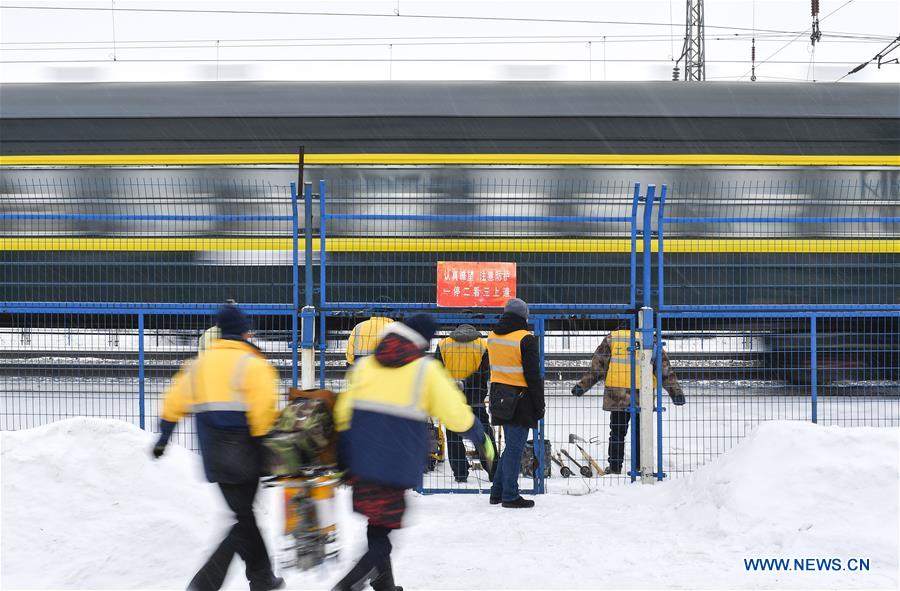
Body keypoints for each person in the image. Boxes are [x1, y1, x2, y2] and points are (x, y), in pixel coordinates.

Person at [332, 314, 495, 591]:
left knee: (377, 526)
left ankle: (386, 586)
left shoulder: (366, 365)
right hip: (393, 465)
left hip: (360, 461)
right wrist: (480, 436)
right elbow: (455, 414)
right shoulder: (424, 370)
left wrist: (342, 458)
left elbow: (343, 414)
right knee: (382, 533)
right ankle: (346, 585)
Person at [152, 303, 285, 591]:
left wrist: (164, 438)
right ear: (245, 332)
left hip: (213, 457)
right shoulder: (253, 364)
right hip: (246, 455)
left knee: (243, 516)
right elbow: (263, 413)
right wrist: (268, 450)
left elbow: (174, 403)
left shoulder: (199, 365)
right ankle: (205, 583)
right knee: (242, 521)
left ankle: (262, 578)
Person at [570, 328, 685, 475]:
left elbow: (598, 366)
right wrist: (676, 393)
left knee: (617, 432)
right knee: (641, 432)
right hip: (642, 395)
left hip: (617, 395)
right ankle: (640, 467)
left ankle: (614, 468)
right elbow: (663, 369)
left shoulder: (614, 337)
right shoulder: (650, 338)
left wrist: (582, 386)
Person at [486, 298, 544, 509]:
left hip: (499, 396)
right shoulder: (525, 338)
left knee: (511, 447)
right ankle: (510, 495)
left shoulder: (492, 336)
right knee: (514, 449)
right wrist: (539, 404)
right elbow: (532, 376)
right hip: (521, 400)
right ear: (524, 315)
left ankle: (497, 492)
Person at [434, 324, 496, 483]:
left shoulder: (443, 344)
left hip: (451, 399)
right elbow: (484, 374)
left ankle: (460, 474)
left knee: (454, 437)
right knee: (484, 436)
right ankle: (493, 471)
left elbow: (436, 373)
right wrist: (468, 384)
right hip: (476, 399)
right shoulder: (483, 345)